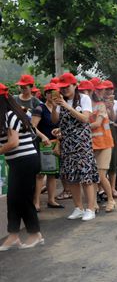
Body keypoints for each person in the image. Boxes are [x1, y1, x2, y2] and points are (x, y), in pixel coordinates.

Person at [0, 84, 44, 250]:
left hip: (25, 161)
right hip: (18, 162)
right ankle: (13, 235)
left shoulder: (10, 115)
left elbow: (13, 142)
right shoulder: (4, 116)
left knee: (24, 199)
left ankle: (35, 234)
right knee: (13, 199)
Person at [53, 73, 100, 221]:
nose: (65, 90)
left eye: (67, 87)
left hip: (82, 143)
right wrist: (55, 108)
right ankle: (78, 207)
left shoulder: (84, 98)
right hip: (67, 143)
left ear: (74, 85)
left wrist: (66, 106)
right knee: (71, 177)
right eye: (62, 87)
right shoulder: (61, 101)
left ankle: (91, 208)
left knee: (86, 176)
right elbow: (55, 120)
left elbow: (85, 118)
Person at [31, 82, 63, 210]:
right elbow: (32, 127)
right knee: (40, 174)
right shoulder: (40, 108)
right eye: (49, 92)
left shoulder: (60, 108)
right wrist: (43, 136)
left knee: (52, 173)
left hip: (55, 144)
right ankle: (36, 202)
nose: (52, 94)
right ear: (45, 94)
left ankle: (51, 200)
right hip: (42, 144)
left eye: (54, 92)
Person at [89, 83, 116, 212]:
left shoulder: (100, 105)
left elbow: (98, 123)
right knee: (92, 175)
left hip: (104, 143)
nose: (100, 92)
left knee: (100, 174)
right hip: (91, 144)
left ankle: (110, 200)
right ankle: (93, 203)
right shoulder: (83, 106)